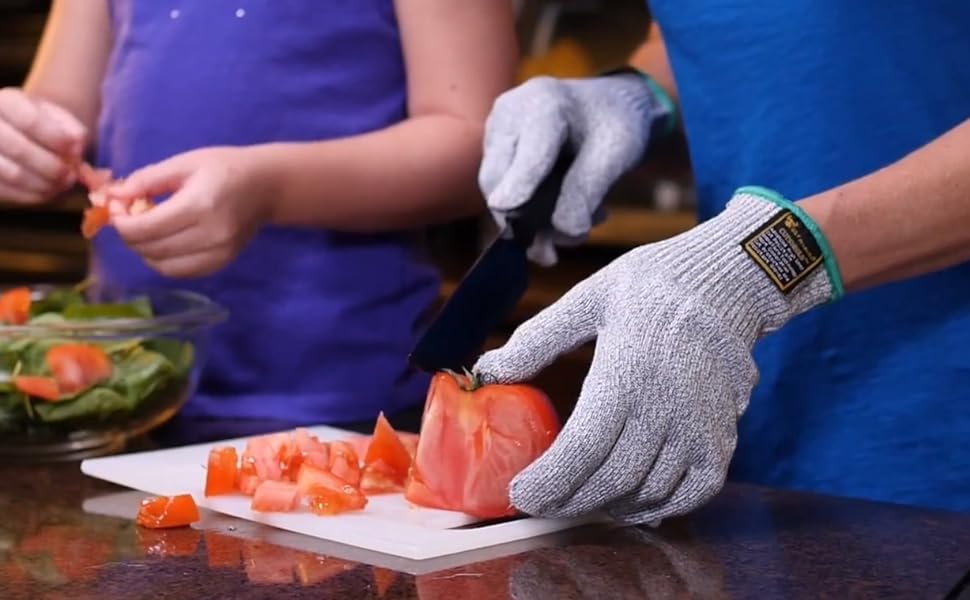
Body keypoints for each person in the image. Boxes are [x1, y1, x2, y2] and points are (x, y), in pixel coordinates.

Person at [473, 6, 970, 525]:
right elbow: (715, 33)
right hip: (757, 393)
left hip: (936, 409)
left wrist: (772, 257)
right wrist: (638, 92)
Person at [0, 1, 517, 436]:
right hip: (123, 390)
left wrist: (269, 189)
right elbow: (60, 105)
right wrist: (23, 137)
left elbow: (479, 143)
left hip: (340, 403)